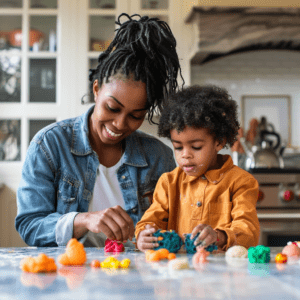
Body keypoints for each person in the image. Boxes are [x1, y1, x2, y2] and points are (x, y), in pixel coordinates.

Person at [15, 13, 183, 247]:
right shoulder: (50, 145)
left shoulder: (159, 158)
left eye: (136, 116)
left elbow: (176, 227)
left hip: (138, 279)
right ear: (96, 89)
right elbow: (30, 225)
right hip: (69, 277)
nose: (120, 124)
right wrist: (83, 220)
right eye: (112, 108)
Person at [135, 85, 260, 252]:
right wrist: (144, 235)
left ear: (219, 142)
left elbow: (248, 231)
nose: (185, 155)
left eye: (196, 147)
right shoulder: (168, 182)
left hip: (224, 273)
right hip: (178, 272)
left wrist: (219, 236)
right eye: (178, 148)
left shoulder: (241, 182)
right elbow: (150, 222)